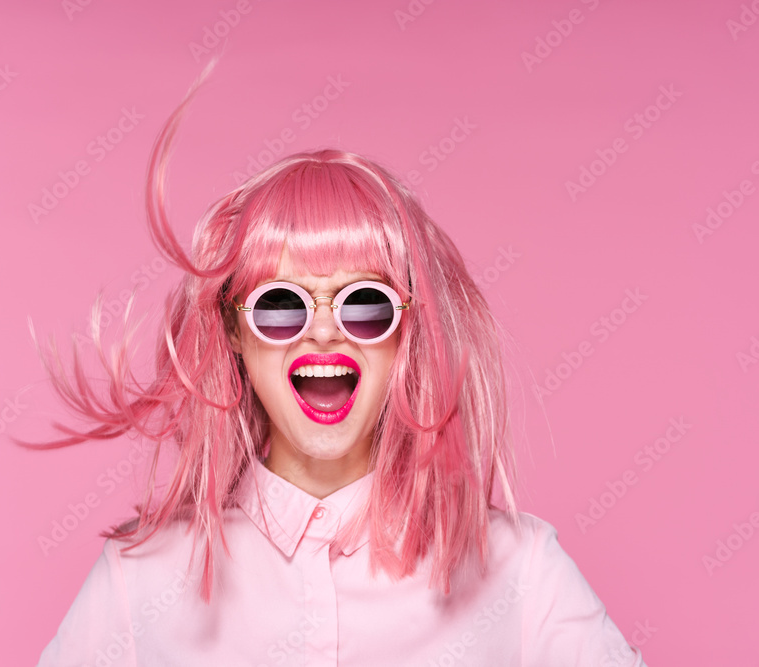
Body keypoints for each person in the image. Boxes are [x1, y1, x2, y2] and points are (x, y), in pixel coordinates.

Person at [34, 64, 648, 666]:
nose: (324, 331)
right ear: (234, 334)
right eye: (279, 306)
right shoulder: (138, 580)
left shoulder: (520, 572)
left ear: (408, 330)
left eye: (366, 306)